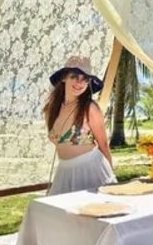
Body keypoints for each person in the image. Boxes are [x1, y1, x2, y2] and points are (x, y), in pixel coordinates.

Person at [45, 55, 116, 195]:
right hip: (64, 172)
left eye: (85, 79)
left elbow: (103, 144)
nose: (79, 83)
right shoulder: (51, 109)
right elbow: (58, 141)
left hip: (91, 169)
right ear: (64, 77)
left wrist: (111, 176)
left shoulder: (89, 108)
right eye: (74, 77)